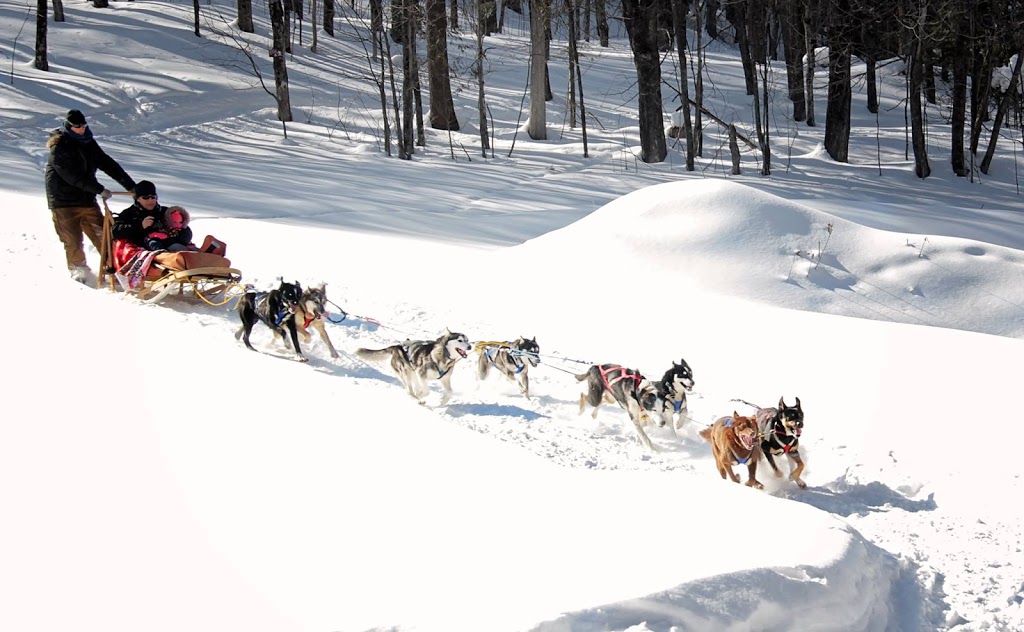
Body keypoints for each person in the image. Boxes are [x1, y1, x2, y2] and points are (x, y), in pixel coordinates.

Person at [44, 109, 137, 283]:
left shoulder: (88, 142)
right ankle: (79, 270)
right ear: (68, 126)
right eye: (77, 126)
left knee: (104, 234)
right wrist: (99, 189)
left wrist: (132, 187)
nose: (81, 129)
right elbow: (71, 176)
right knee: (72, 239)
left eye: (84, 125)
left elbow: (108, 164)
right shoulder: (59, 145)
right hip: (63, 201)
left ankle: (113, 267)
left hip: (86, 198)